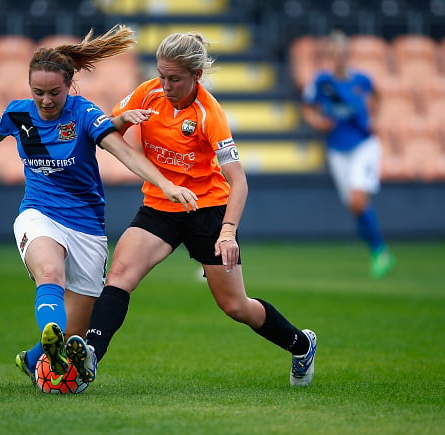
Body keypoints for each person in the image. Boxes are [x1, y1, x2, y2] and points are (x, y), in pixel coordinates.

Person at [0, 25, 198, 389]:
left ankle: (37, 355)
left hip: (86, 225)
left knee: (74, 337)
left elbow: (124, 152)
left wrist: (164, 183)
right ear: (29, 88)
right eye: (38, 93)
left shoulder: (84, 114)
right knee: (50, 273)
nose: (46, 100)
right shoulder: (21, 114)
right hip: (38, 213)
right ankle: (48, 330)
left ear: (69, 86)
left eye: (54, 92)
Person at [65, 32, 318, 388]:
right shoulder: (148, 91)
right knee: (119, 274)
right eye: (162, 75)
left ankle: (302, 344)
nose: (165, 85)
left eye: (175, 79)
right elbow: (105, 129)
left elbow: (238, 182)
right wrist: (123, 120)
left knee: (235, 306)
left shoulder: (209, 113)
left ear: (196, 76)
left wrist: (227, 231)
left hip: (207, 212)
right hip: (160, 205)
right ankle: (88, 359)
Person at [301, 30, 395, 279]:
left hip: (363, 144)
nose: (339, 58)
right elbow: (308, 108)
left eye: (343, 54)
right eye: (335, 54)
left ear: (348, 55)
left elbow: (377, 96)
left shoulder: (361, 80)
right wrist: (318, 122)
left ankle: (381, 252)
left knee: (356, 201)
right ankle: (377, 252)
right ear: (330, 56)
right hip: (337, 149)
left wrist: (375, 117)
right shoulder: (322, 82)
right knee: (355, 207)